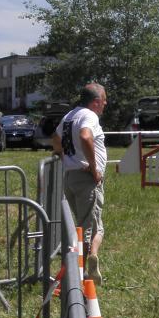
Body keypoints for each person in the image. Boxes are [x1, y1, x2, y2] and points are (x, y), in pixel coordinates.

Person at [52, 83, 108, 282]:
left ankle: (90, 257)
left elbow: (56, 140)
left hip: (70, 177)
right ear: (95, 102)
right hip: (87, 179)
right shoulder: (89, 115)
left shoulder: (69, 116)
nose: (105, 104)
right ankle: (83, 270)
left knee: (88, 223)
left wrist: (64, 157)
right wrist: (94, 169)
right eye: (103, 101)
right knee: (89, 226)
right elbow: (85, 136)